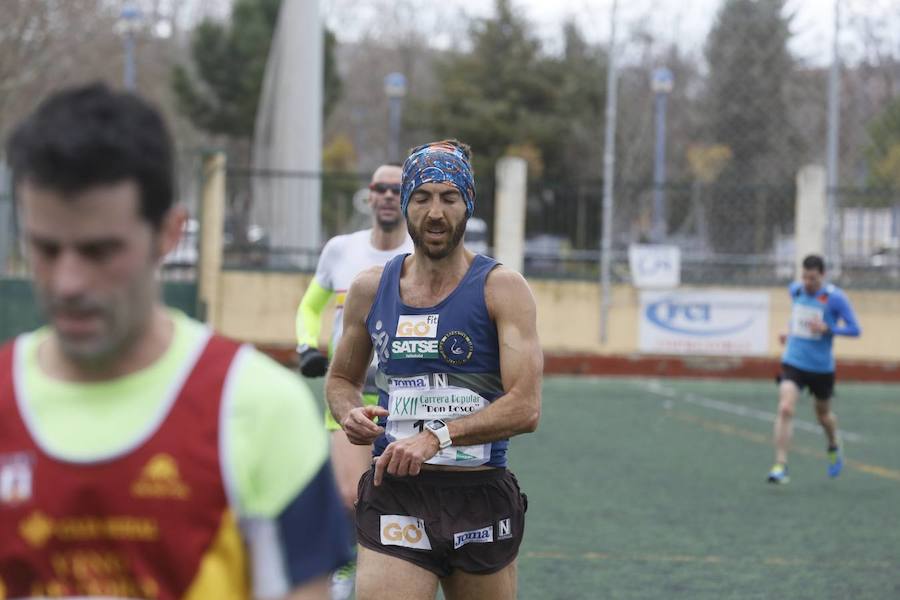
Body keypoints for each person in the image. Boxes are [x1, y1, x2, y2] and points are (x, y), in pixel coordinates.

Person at [0, 82, 351, 599]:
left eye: (100, 251)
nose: (68, 282)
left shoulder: (259, 407)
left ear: (168, 233)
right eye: (46, 249)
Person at [325, 139, 542, 600]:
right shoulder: (370, 289)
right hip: (396, 492)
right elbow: (342, 380)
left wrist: (436, 438)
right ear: (405, 205)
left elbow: (525, 407)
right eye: (422, 198)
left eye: (449, 197)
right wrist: (349, 412)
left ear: (468, 204)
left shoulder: (502, 288)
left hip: (478, 494)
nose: (436, 212)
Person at [295, 163, 413, 598]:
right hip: (350, 391)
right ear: (370, 196)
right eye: (378, 188)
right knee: (350, 496)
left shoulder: (420, 255)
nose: (385, 195)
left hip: (407, 396)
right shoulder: (340, 250)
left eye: (395, 189)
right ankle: (345, 572)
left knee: (397, 497)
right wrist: (308, 345)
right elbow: (310, 306)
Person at [768, 254, 861, 485]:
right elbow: (797, 317)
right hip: (794, 360)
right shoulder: (796, 290)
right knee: (786, 407)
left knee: (823, 415)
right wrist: (788, 331)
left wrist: (828, 329)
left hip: (821, 368)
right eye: (804, 277)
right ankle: (780, 465)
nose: (807, 283)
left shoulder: (835, 298)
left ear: (823, 275)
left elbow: (855, 329)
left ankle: (833, 444)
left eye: (813, 278)